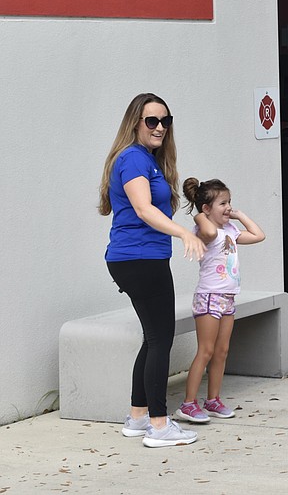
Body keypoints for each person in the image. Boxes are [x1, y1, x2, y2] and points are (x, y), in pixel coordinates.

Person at [99, 93, 206, 448]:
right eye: (151, 121)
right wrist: (180, 234)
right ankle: (159, 426)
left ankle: (138, 416)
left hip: (139, 258)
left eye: (165, 121)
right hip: (139, 259)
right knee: (161, 339)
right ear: (135, 124)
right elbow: (144, 209)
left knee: (153, 337)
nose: (160, 127)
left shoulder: (146, 158)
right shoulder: (132, 158)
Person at [174, 178, 265, 424]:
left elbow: (259, 235)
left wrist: (238, 214)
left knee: (222, 351)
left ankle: (212, 400)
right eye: (222, 203)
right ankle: (188, 404)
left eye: (230, 202)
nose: (228, 207)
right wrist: (197, 215)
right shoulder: (204, 230)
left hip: (227, 298)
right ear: (206, 208)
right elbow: (210, 230)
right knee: (206, 351)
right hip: (209, 297)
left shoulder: (231, 232)